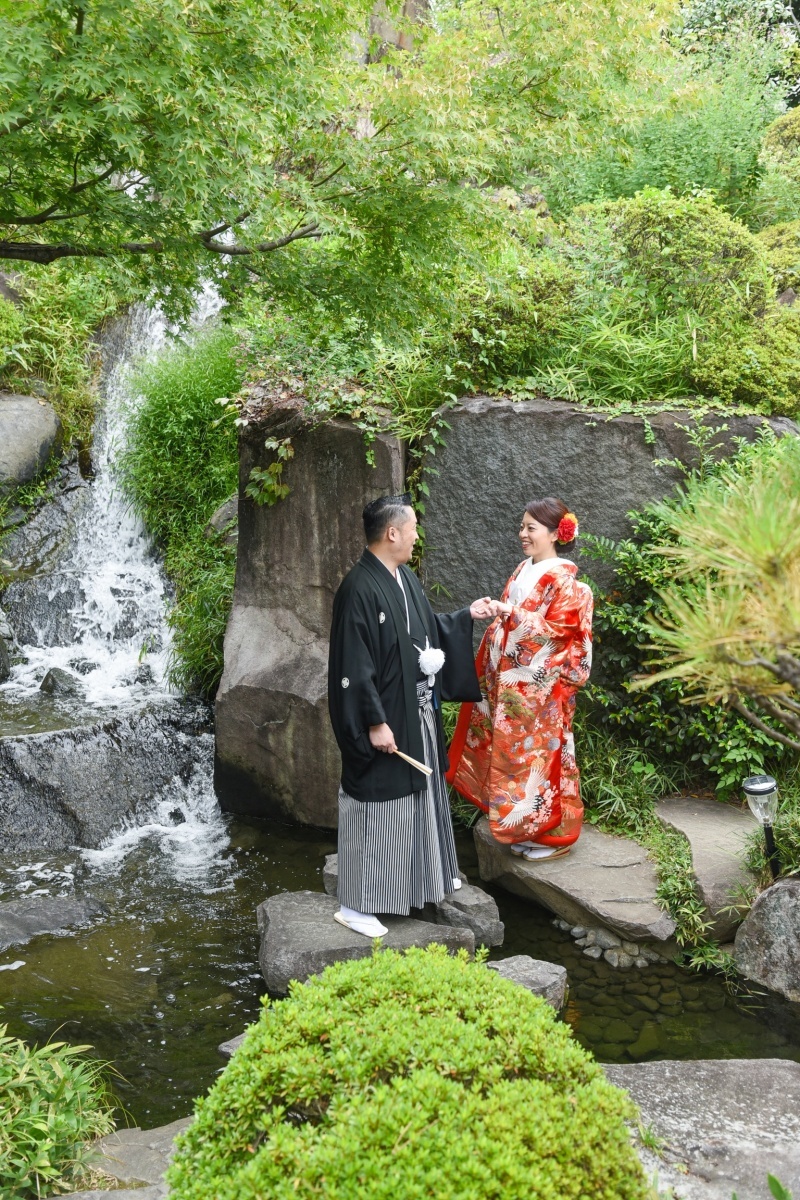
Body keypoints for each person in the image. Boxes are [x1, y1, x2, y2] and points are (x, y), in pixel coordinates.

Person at [328, 494, 494, 937]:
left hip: (416, 710)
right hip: (386, 716)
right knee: (379, 805)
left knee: (421, 794)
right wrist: (373, 722)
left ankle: (423, 879)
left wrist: (464, 617)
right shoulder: (358, 588)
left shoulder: (404, 578)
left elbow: (421, 632)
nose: (417, 535)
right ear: (392, 533)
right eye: (414, 527)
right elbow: (352, 667)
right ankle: (357, 904)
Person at [446, 498, 594, 861]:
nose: (522, 533)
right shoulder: (524, 568)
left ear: (555, 533)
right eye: (523, 526)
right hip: (514, 685)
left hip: (542, 690)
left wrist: (510, 613)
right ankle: (524, 828)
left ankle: (555, 834)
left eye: (531, 528)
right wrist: (498, 614)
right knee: (516, 759)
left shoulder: (568, 583)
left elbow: (557, 633)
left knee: (546, 759)